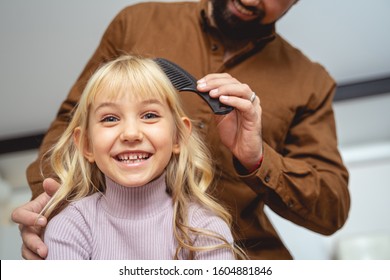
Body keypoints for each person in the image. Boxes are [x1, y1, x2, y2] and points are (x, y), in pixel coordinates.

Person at [12, 0, 350, 260]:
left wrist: (256, 158)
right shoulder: (136, 24)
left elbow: (331, 212)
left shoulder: (311, 84)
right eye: (114, 120)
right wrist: (50, 214)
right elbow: (74, 123)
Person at [40, 55, 244, 259]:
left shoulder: (206, 228)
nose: (131, 134)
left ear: (178, 135)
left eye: (149, 115)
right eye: (110, 118)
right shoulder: (71, 226)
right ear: (86, 143)